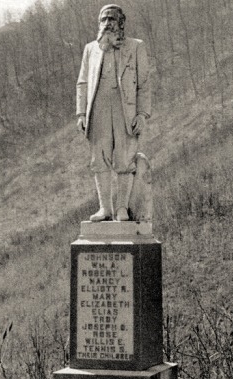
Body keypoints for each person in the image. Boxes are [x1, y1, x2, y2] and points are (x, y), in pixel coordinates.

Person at [76, 4, 151, 222]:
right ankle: (104, 208)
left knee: (124, 158)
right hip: (97, 109)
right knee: (99, 158)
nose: (107, 23)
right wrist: (81, 113)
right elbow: (82, 82)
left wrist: (142, 114)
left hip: (124, 109)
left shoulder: (136, 47)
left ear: (121, 22)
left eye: (111, 19)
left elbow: (144, 84)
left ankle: (121, 208)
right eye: (103, 19)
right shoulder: (90, 49)